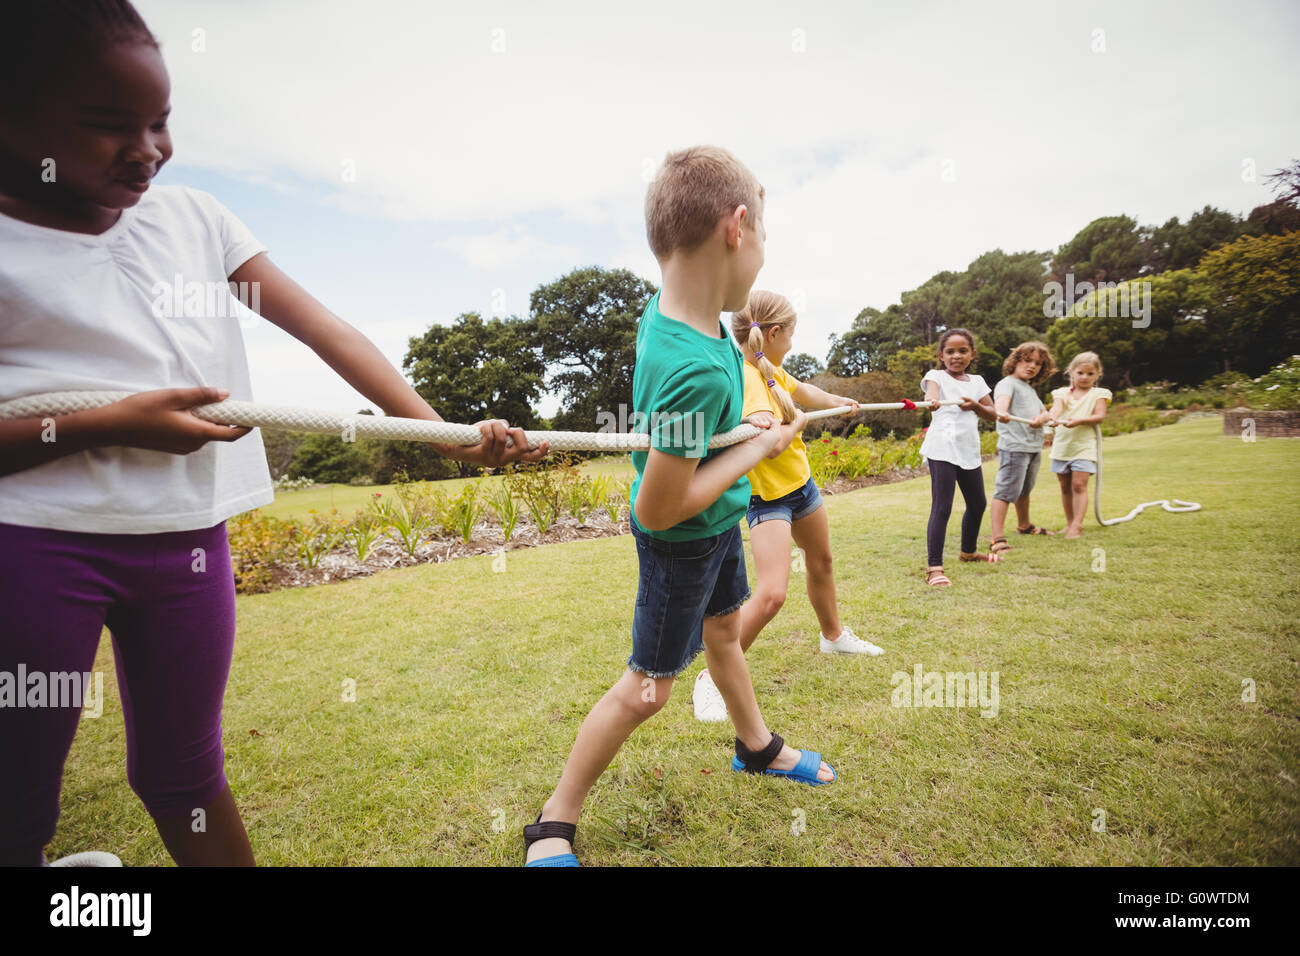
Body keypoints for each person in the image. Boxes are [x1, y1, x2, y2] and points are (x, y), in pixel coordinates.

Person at [0, 0, 546, 868]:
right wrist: (109, 424)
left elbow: (328, 331)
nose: (148, 150)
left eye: (161, 121)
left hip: (186, 544)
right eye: (109, 126)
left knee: (186, 773)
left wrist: (441, 435)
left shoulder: (196, 221)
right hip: (30, 549)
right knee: (17, 802)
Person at [523, 147, 836, 868]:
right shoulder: (690, 365)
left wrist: (755, 372)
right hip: (683, 539)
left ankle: (755, 747)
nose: (762, 255)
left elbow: (707, 425)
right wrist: (757, 450)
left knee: (725, 634)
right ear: (737, 227)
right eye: (764, 234)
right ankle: (553, 820)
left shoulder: (701, 323)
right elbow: (659, 509)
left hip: (720, 523)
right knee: (647, 690)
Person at [691, 290, 882, 724]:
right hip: (767, 497)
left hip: (801, 486)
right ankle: (711, 678)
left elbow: (802, 389)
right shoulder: (749, 380)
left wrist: (836, 402)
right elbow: (772, 445)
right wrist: (796, 422)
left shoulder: (769, 367)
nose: (792, 342)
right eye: (791, 334)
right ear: (774, 332)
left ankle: (833, 636)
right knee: (773, 593)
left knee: (821, 561)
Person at [919, 328, 1003, 587]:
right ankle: (934, 569)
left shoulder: (977, 382)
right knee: (942, 507)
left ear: (972, 354)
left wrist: (976, 406)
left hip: (968, 450)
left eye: (963, 351)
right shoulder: (935, 376)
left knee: (977, 503)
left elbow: (993, 413)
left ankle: (968, 552)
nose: (957, 356)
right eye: (950, 351)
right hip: (942, 448)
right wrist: (932, 400)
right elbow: (930, 394)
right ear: (941, 355)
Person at [987, 342, 1056, 555]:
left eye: (1038, 364)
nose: (1032, 366)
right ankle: (996, 538)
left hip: (1033, 447)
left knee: (1024, 490)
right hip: (1015, 446)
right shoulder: (1008, 383)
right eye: (1027, 361)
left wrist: (1043, 417)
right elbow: (1001, 403)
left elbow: (1046, 413)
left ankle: (1024, 525)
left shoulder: (1029, 388)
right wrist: (1001, 412)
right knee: (1007, 491)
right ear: (1015, 361)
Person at [1046, 351, 1112, 539]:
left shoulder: (1100, 394)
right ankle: (1069, 524)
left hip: (1084, 448)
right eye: (1080, 373)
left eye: (1090, 374)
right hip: (1062, 448)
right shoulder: (1061, 393)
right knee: (1065, 486)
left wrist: (1079, 420)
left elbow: (1099, 416)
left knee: (1078, 485)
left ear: (1098, 374)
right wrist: (1052, 417)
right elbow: (1057, 408)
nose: (1084, 377)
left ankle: (1077, 525)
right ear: (1071, 372)